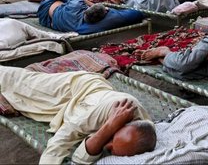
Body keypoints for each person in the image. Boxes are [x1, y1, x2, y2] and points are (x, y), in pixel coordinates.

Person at [0, 66, 156, 164]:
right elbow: (60, 141)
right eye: (112, 141)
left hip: (83, 104)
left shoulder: (143, 127)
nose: (107, 146)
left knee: (24, 103)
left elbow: (79, 159)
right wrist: (108, 127)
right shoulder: (100, 115)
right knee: (18, 82)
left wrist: (107, 132)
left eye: (112, 149)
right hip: (80, 87)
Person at [29, 0, 143, 34]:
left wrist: (91, 4)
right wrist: (104, 9)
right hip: (50, 19)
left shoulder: (76, 6)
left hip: (48, 10)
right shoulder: (83, 28)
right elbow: (137, 14)